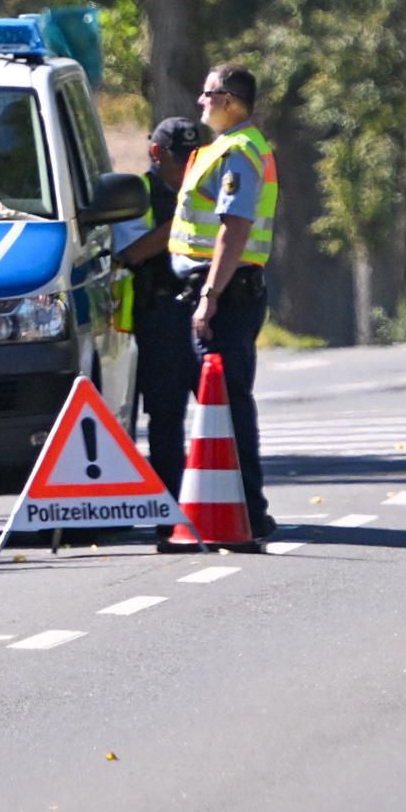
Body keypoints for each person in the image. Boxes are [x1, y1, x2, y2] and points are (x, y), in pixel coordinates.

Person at [168, 63, 279, 539]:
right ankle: (230, 509)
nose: (201, 101)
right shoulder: (223, 148)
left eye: (208, 93)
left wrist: (210, 295)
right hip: (217, 289)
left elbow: (234, 228)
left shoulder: (238, 152)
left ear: (229, 101)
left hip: (226, 293)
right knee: (218, 403)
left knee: (227, 402)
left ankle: (248, 513)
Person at [112, 117, 204, 499]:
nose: (188, 166)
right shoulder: (139, 196)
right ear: (156, 153)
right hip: (159, 316)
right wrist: (187, 217)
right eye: (180, 157)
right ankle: (171, 508)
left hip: (204, 311)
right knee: (166, 416)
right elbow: (133, 252)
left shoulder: (210, 191)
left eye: (195, 156)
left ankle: (230, 505)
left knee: (223, 409)